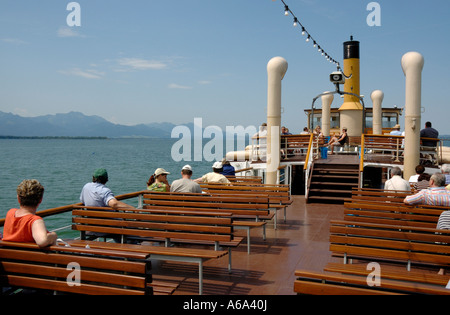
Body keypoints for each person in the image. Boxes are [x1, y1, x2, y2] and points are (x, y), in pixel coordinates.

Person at [2, 179, 57, 247]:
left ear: (18, 199)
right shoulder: (35, 221)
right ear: (40, 200)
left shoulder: (10, 213)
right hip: (27, 257)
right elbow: (42, 241)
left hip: (7, 255)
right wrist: (53, 235)